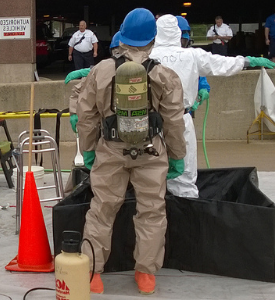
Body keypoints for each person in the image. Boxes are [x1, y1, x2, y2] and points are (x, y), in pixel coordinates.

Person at [76, 8, 186, 295]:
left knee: (102, 210)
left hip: (110, 150)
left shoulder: (101, 70)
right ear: (153, 39)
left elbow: (86, 115)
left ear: (122, 36)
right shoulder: (164, 75)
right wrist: (177, 155)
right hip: (151, 152)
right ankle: (145, 274)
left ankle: (92, 274)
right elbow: (174, 120)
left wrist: (88, 150)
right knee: (151, 210)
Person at [151, 14, 275, 198]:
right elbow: (223, 64)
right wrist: (248, 61)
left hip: (150, 123)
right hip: (181, 120)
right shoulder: (192, 55)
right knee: (185, 175)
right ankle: (188, 218)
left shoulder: (146, 57)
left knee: (150, 175)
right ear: (179, 34)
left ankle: (153, 218)